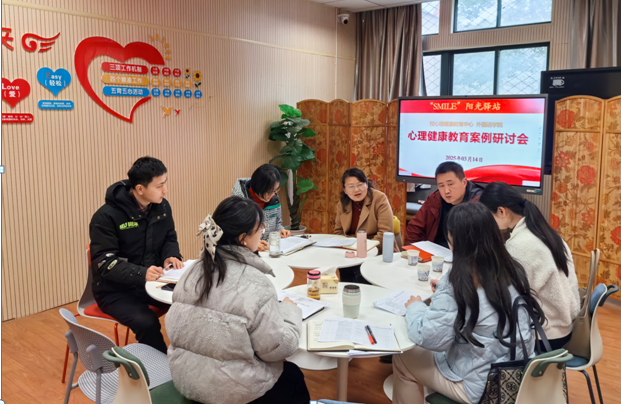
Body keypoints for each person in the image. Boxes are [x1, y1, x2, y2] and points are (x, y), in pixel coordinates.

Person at [392, 202, 544, 404]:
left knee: (403, 359)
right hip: (520, 375)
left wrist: (415, 307)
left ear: (453, 239)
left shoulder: (458, 280)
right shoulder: (513, 269)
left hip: (485, 388)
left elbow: (430, 337)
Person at [166, 196, 310, 404]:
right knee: (293, 376)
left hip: (187, 380)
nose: (263, 231)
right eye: (260, 228)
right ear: (243, 238)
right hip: (232, 392)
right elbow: (278, 348)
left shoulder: (192, 272)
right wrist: (289, 310)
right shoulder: (256, 283)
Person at [89, 157, 182, 353]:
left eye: (165, 183)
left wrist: (171, 255)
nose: (165, 190)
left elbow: (169, 237)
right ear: (140, 189)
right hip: (114, 291)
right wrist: (141, 273)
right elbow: (104, 263)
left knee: (189, 302)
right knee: (146, 322)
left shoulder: (162, 207)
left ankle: (187, 357)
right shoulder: (105, 217)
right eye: (160, 186)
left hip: (152, 281)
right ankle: (161, 366)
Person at [479, 181, 580, 350]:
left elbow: (507, 296)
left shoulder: (520, 245)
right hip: (564, 327)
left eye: (489, 218)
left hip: (545, 335)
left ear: (502, 211)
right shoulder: (546, 233)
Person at [334, 168, 397, 283]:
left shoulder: (379, 198)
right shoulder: (342, 204)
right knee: (345, 275)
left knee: (362, 278)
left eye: (360, 184)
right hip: (351, 252)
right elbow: (338, 233)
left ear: (367, 185)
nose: (356, 190)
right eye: (351, 186)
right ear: (345, 190)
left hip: (377, 251)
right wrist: (350, 250)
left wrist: (363, 250)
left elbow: (385, 232)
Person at [405, 162, 482, 248]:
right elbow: (414, 229)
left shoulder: (478, 203)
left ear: (464, 182)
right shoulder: (435, 199)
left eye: (450, 184)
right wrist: (412, 252)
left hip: (463, 253)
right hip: (435, 252)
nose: (446, 191)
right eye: (441, 186)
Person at [232, 164, 291, 251]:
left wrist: (281, 230)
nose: (273, 194)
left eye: (275, 190)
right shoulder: (239, 202)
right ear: (259, 187)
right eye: (270, 191)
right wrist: (252, 245)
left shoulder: (273, 197)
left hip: (268, 250)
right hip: (246, 253)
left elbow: (278, 222)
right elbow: (235, 233)